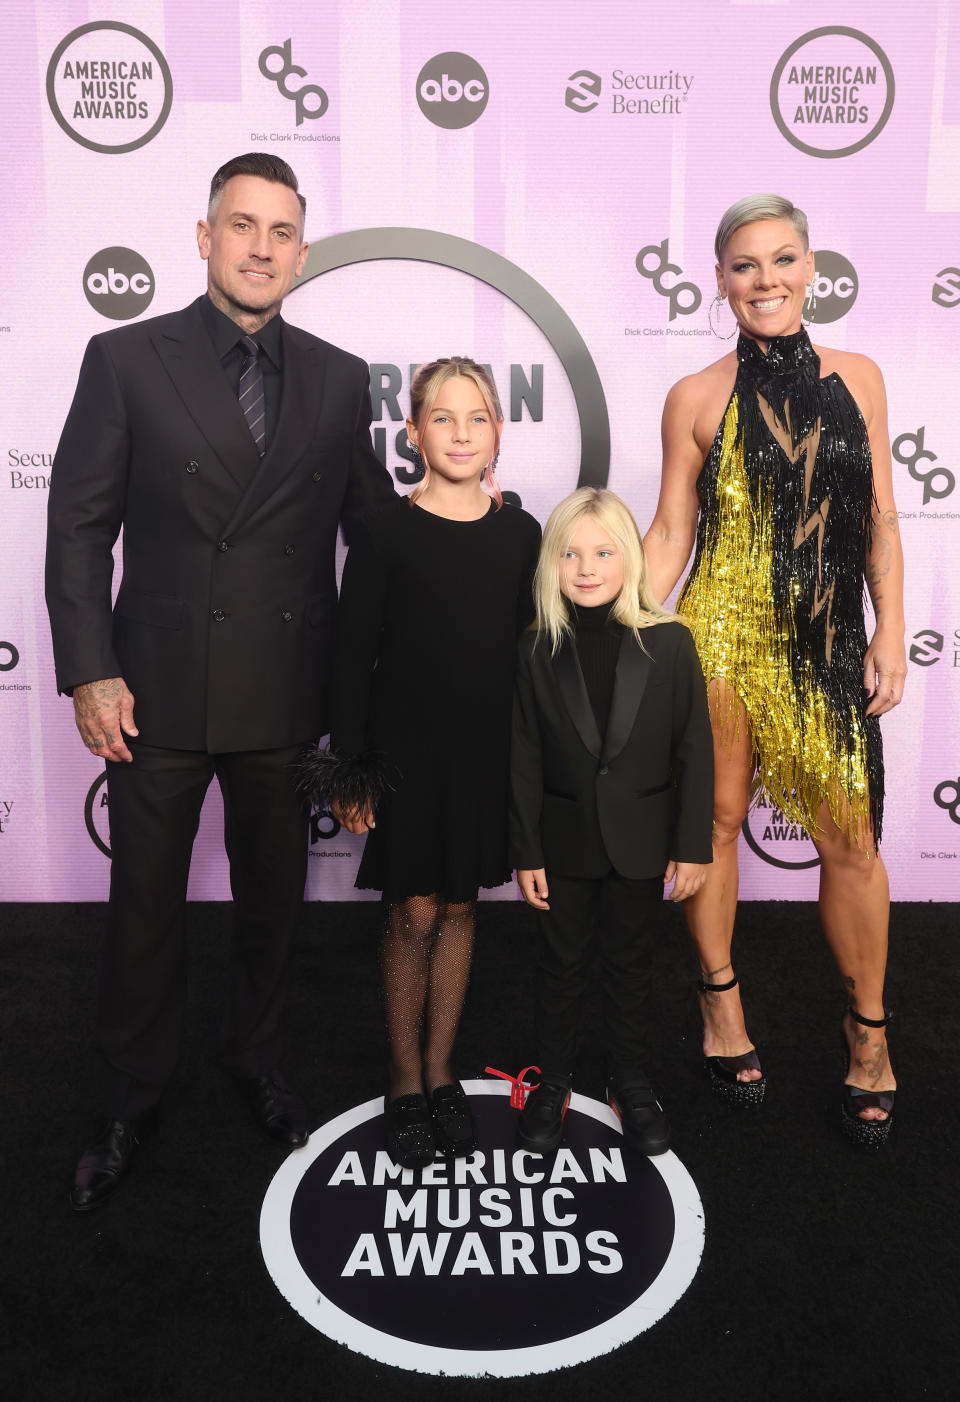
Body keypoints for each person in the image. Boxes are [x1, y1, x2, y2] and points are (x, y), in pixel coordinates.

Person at [45, 153, 394, 1210]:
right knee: (144, 902)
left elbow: (370, 535)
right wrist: (90, 671)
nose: (260, 247)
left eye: (280, 231)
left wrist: (471, 528)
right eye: (240, 226)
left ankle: (261, 1062)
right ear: (204, 238)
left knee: (272, 903)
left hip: (288, 692)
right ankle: (132, 1090)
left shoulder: (340, 375)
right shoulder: (126, 359)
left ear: (301, 247)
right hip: (152, 688)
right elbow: (77, 528)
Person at [643, 194, 906, 1147]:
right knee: (709, 825)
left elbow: (878, 518)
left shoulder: (863, 379)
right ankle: (721, 1006)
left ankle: (867, 1034)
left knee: (853, 843)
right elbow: (673, 532)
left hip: (828, 641)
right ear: (720, 280)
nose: (766, 280)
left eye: (783, 259)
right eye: (745, 265)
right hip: (719, 639)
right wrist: (617, 618)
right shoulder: (695, 397)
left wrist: (891, 627)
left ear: (811, 268)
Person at [300, 357, 541, 1169]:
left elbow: (531, 652)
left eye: (477, 418)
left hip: (486, 754)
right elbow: (351, 655)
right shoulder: (384, 531)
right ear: (413, 432)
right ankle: (403, 1076)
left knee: (464, 908)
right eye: (443, 418)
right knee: (412, 912)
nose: (461, 433)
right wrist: (351, 768)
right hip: (404, 758)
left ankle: (443, 1070)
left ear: (498, 431)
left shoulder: (521, 531)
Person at [510, 488, 714, 1156]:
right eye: (570, 553)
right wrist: (527, 850)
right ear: (553, 565)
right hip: (562, 846)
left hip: (642, 845)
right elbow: (524, 758)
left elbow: (694, 751)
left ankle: (630, 1079)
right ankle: (555, 1080)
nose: (587, 567)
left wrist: (691, 847)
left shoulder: (672, 644)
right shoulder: (537, 649)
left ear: (628, 557)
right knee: (559, 967)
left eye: (602, 552)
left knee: (631, 966)